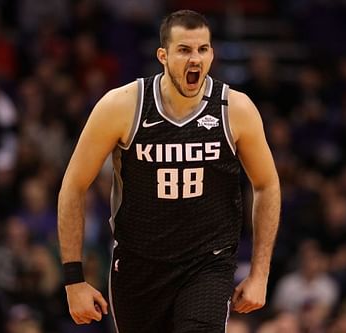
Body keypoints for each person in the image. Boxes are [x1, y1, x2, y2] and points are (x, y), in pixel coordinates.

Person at [57, 9, 281, 333]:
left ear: (213, 53)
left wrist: (260, 273)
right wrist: (73, 280)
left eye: (203, 49)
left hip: (207, 263)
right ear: (163, 55)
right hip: (139, 265)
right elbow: (73, 186)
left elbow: (267, 184)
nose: (196, 59)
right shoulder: (121, 106)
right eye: (185, 50)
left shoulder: (236, 109)